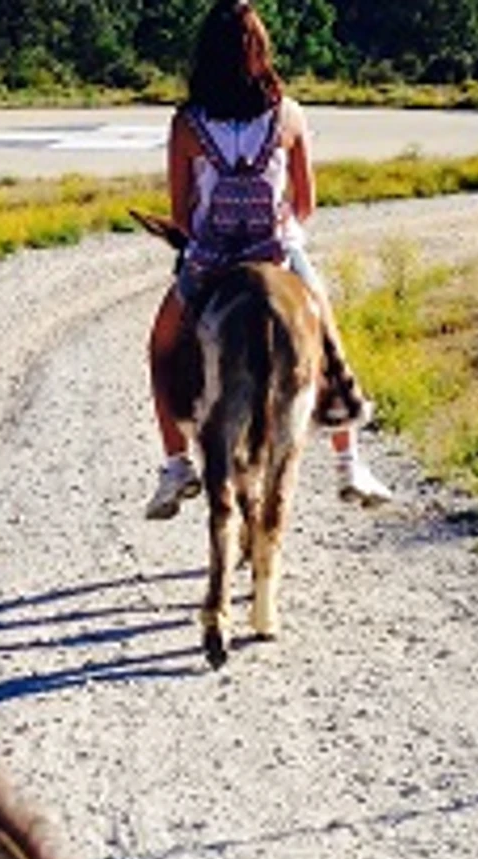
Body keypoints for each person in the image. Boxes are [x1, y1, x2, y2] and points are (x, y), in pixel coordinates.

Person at [143, 0, 393, 521]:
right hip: (277, 250)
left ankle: (174, 464)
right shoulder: (289, 114)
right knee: (324, 331)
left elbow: (180, 212)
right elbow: (305, 202)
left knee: (163, 345)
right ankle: (349, 461)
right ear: (260, 51)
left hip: (211, 259)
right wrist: (281, 231)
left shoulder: (187, 124)